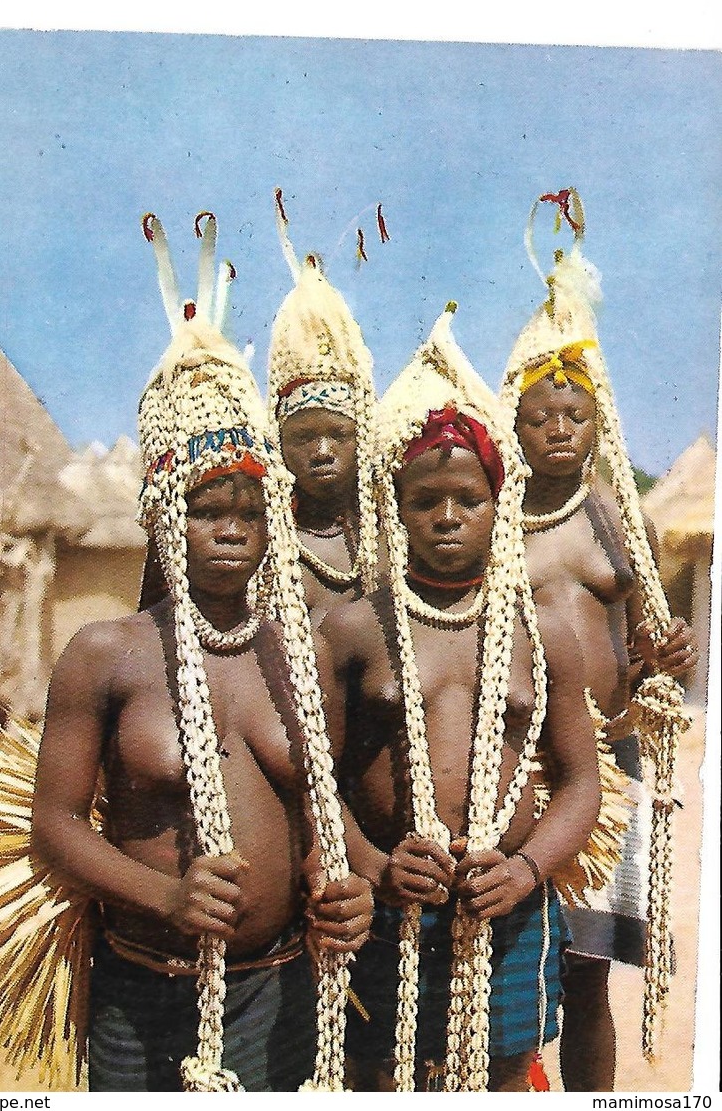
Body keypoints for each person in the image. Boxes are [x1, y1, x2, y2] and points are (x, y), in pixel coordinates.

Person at [31, 211, 373, 1092]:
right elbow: (56, 825)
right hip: (142, 993)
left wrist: (347, 888)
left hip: (278, 989)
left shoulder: (298, 657)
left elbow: (316, 819)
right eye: (205, 509)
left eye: (250, 512)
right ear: (161, 514)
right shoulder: (106, 654)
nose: (230, 532)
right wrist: (165, 898)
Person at [317, 304, 602, 1092]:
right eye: (424, 501)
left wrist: (528, 869)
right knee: (375, 1071)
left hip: (504, 902)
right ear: (396, 507)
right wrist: (373, 864)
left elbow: (579, 779)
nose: (445, 518)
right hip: (383, 907)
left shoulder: (538, 628)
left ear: (498, 504)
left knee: (507, 1070)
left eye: (467, 500)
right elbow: (317, 779)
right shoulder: (353, 629)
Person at [499, 190, 698, 1091]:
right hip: (519, 762)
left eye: (574, 415)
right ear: (514, 419)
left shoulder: (619, 523)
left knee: (585, 975)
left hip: (609, 765)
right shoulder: (497, 524)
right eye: (541, 415)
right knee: (507, 971)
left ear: (598, 424)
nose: (557, 428)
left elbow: (647, 632)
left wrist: (667, 658)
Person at [264, 188, 380, 621]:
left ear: (363, 434)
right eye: (303, 437)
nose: (323, 452)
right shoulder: (260, 549)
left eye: (338, 434)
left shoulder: (391, 543)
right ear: (277, 441)